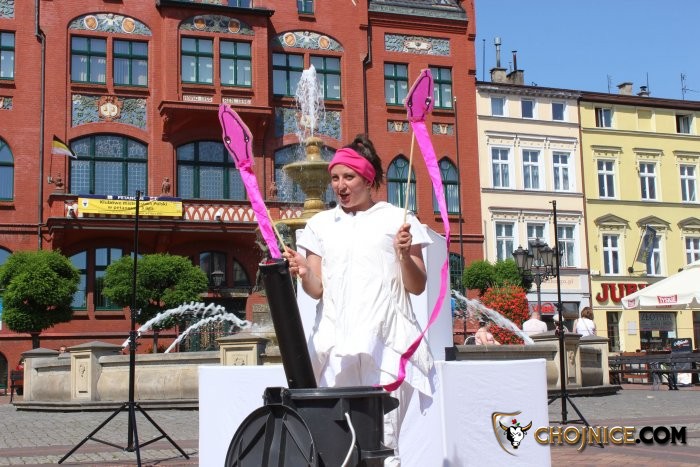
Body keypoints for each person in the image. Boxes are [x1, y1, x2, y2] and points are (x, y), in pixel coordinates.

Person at [282, 135, 434, 466]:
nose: (340, 185)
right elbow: (316, 290)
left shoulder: (398, 219)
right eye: (335, 178)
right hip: (335, 344)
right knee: (338, 445)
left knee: (383, 445)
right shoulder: (320, 224)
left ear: (368, 178)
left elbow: (417, 285)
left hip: (387, 343)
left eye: (349, 177)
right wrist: (305, 271)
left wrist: (404, 255)